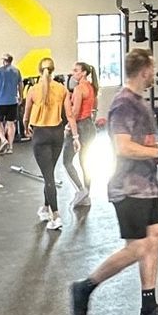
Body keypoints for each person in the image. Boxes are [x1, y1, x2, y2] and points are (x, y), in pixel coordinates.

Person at [70, 48, 158, 315]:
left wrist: (157, 152)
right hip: (129, 187)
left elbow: (139, 143)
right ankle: (85, 287)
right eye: (152, 68)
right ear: (144, 70)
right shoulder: (123, 104)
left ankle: (149, 308)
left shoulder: (139, 102)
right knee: (138, 247)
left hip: (148, 186)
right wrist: (156, 152)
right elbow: (122, 147)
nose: (154, 73)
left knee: (155, 238)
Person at [25, 56, 71, 231]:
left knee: (49, 176)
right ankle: (45, 208)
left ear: (39, 71)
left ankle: (56, 215)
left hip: (41, 135)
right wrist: (73, 134)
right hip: (57, 134)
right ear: (53, 70)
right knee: (49, 173)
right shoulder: (62, 89)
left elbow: (26, 116)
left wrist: (26, 128)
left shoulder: (33, 90)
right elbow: (68, 115)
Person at [63, 62, 98, 209]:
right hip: (90, 126)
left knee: (67, 161)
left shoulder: (79, 89)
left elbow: (75, 113)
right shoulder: (91, 87)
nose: (73, 73)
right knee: (85, 163)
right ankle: (86, 196)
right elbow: (93, 108)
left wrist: (69, 128)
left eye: (76, 70)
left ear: (83, 73)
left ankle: (81, 190)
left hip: (80, 127)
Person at [0, 52, 22, 154]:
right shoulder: (16, 71)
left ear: (4, 61)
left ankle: (3, 140)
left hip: (1, 102)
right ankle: (10, 147)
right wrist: (21, 96)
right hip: (13, 101)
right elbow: (20, 85)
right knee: (11, 123)